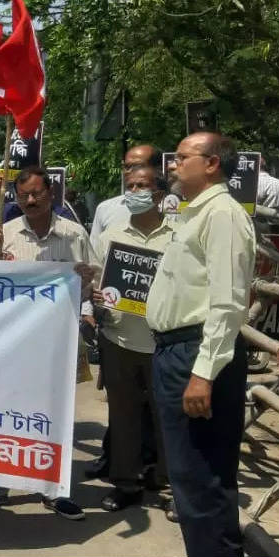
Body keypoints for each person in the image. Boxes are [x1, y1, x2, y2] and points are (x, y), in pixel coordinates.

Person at [146, 132, 254, 557]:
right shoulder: (192, 214)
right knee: (191, 479)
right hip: (176, 353)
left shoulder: (223, 214)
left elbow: (228, 303)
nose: (172, 164)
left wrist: (202, 373)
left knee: (202, 480)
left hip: (197, 354)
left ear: (211, 164)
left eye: (182, 158)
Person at [0, 165, 95, 521]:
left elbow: (89, 284)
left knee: (54, 416)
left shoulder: (74, 235)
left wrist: (86, 281)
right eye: (23, 195)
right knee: (4, 412)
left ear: (51, 195)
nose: (30, 200)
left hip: (56, 344)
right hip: (12, 345)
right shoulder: (5, 234)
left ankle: (53, 489)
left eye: (37, 194)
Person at [89, 166, 174, 513]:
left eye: (142, 186)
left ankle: (171, 485)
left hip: (164, 344)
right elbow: (94, 279)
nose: (134, 191)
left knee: (168, 419)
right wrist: (93, 296)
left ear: (158, 195)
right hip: (118, 339)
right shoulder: (111, 235)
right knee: (123, 418)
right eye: (130, 186)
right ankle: (125, 483)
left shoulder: (178, 236)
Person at [89, 145, 160, 246]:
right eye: (127, 167)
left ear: (156, 169)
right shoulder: (105, 209)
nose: (129, 171)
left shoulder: (172, 208)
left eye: (137, 166)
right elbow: (94, 257)